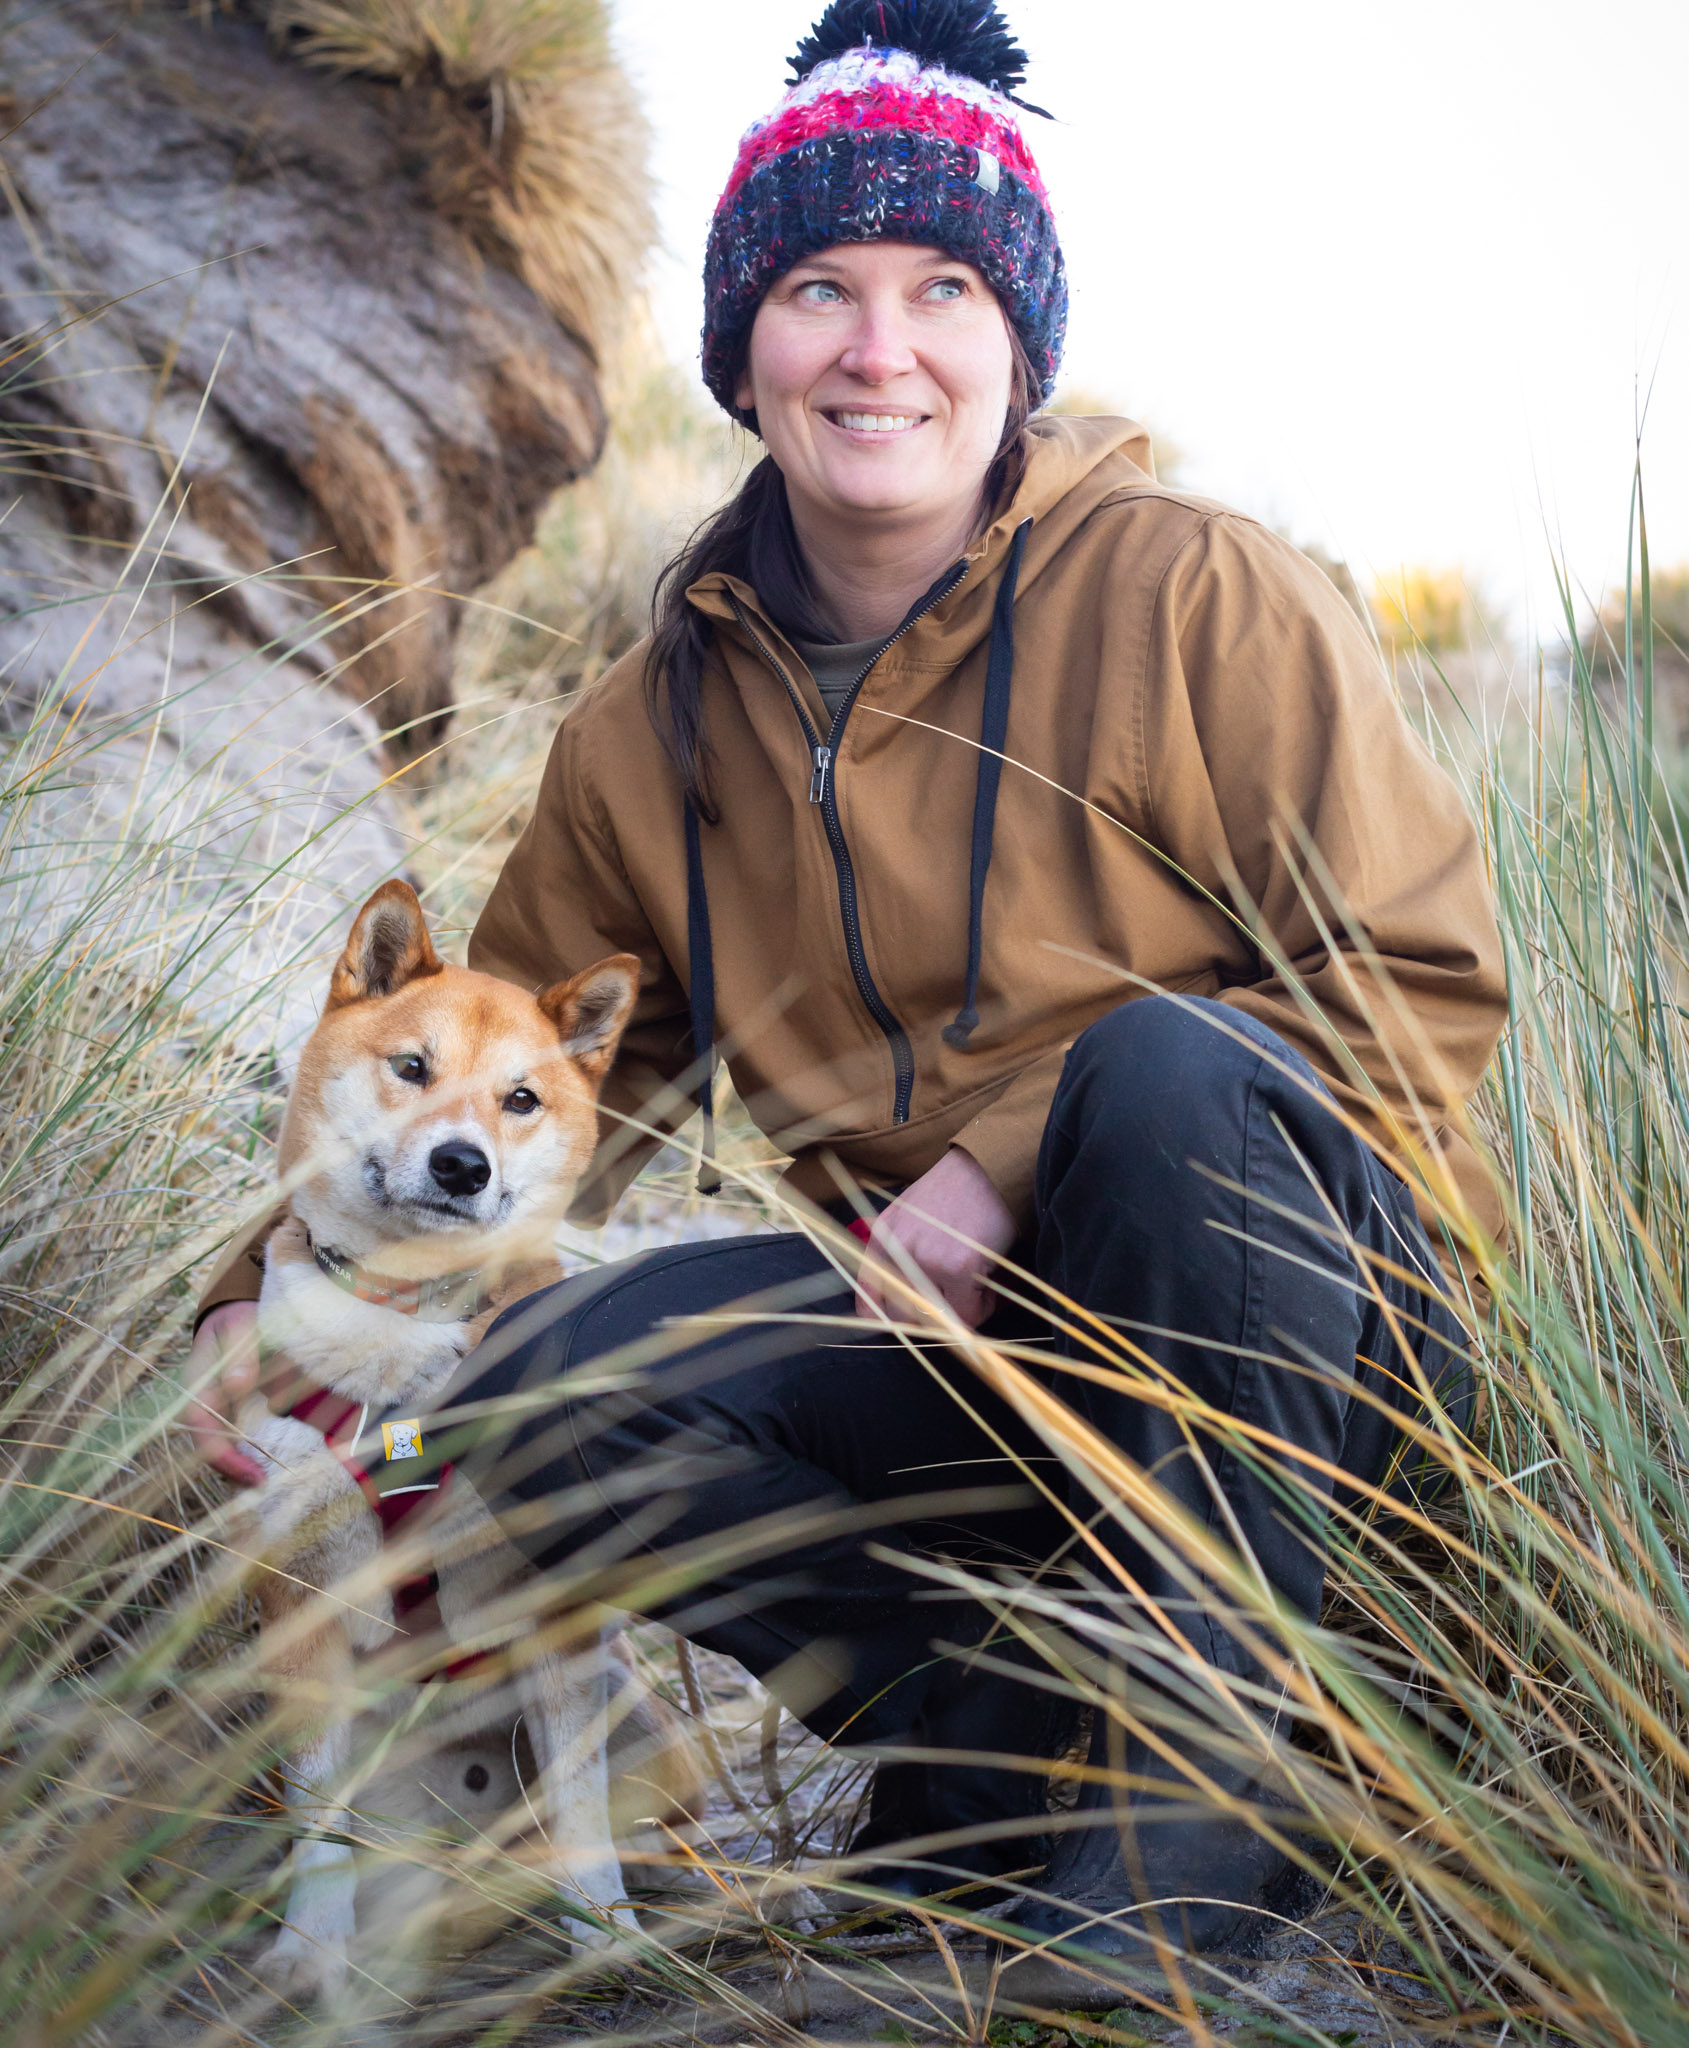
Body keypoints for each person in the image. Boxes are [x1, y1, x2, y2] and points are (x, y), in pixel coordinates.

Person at [186, 0, 1505, 1992]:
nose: (877, 345)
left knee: (1153, 1069)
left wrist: (990, 1164)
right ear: (742, 347)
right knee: (549, 1391)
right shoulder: (649, 730)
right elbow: (497, 1082)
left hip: (1296, 1359)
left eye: (940, 287)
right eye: (817, 285)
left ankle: (1218, 1783)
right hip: (973, 1384)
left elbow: (1416, 981)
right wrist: (260, 1285)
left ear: (1015, 340)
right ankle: (985, 1760)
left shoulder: (1193, 594)